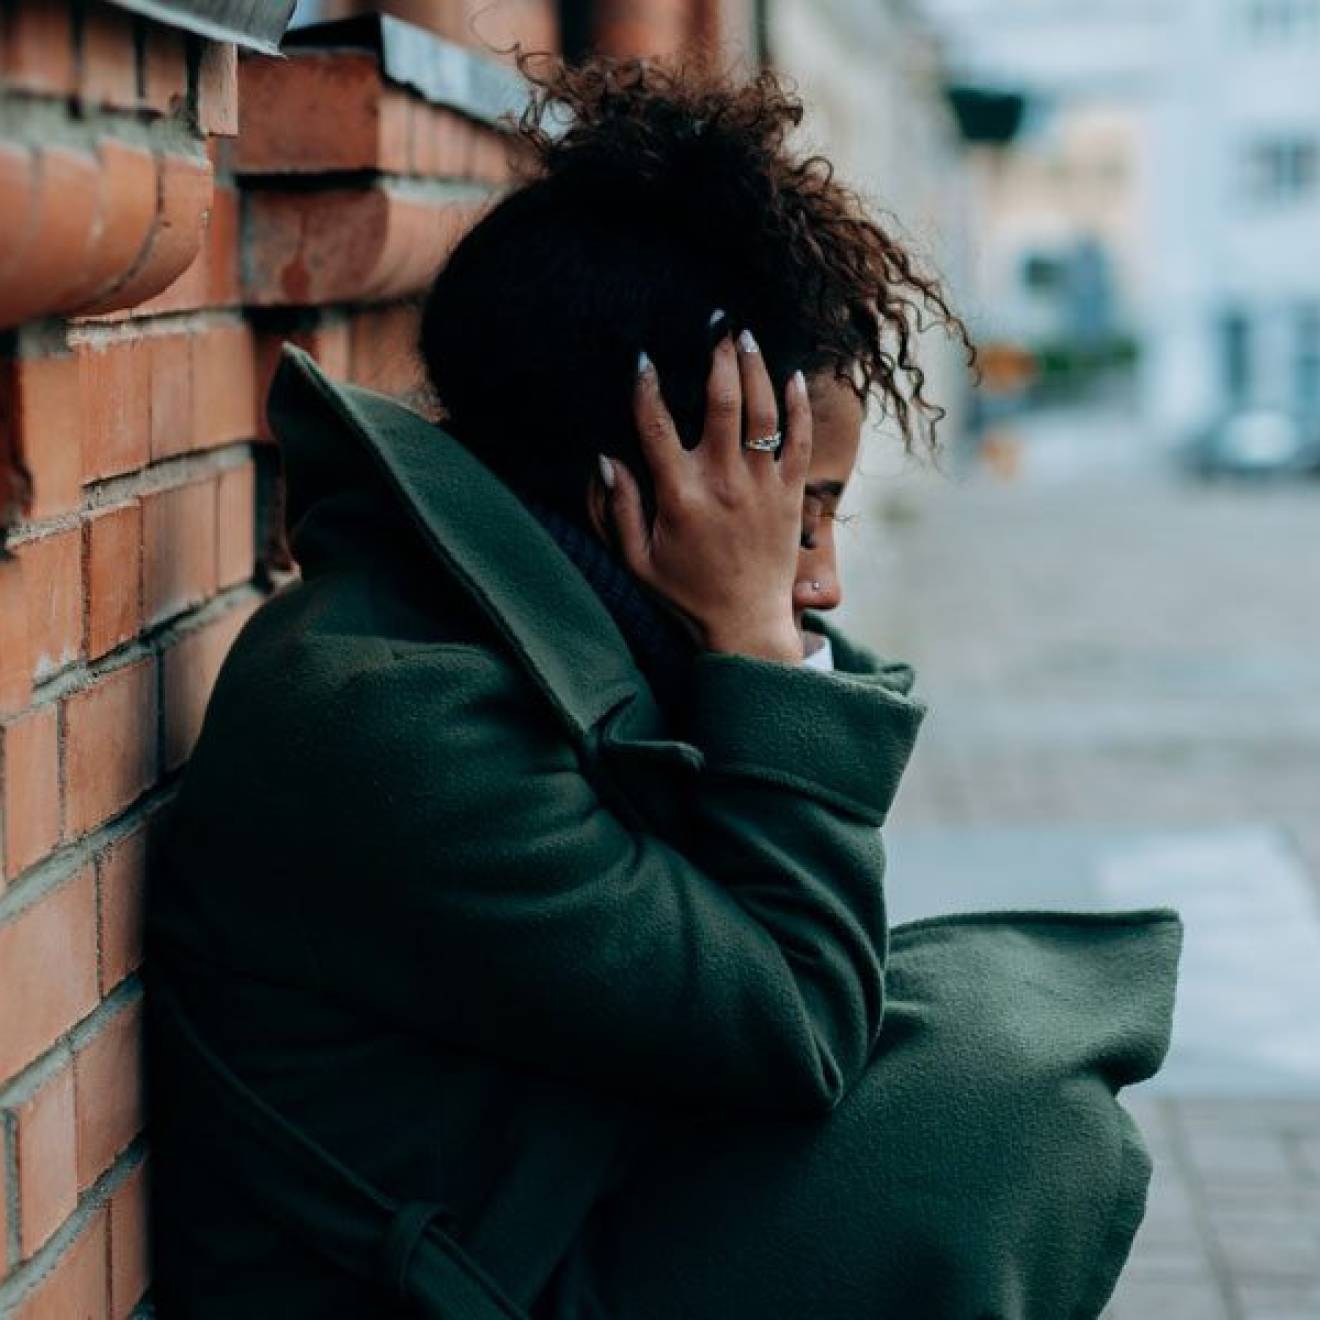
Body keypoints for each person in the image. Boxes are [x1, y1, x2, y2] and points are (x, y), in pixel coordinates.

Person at [144, 53, 1182, 1319]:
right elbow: (793, 1020)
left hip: (551, 1199)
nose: (824, 584)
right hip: (446, 1285)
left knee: (994, 1023)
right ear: (645, 480)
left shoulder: (513, 620)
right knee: (1000, 1131)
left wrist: (749, 638)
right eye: (802, 515)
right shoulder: (396, 717)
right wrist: (751, 643)